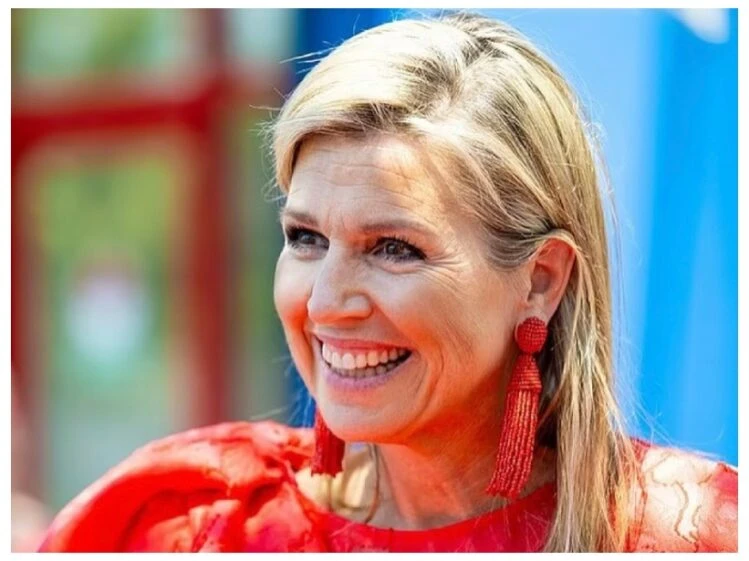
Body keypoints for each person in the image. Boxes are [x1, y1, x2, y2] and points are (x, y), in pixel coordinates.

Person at [37, 12, 737, 552]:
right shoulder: (183, 525)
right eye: (305, 238)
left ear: (540, 281)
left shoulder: (698, 532)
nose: (325, 302)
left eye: (393, 249)